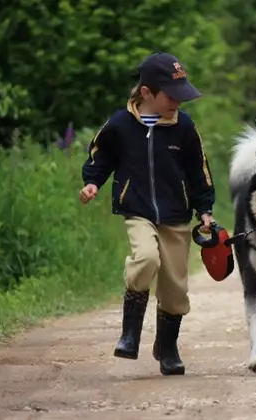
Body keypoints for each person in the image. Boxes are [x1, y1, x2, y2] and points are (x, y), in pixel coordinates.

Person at [79, 52, 215, 376]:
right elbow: (101, 156)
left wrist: (205, 210)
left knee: (175, 289)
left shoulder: (184, 127)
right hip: (138, 209)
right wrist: (92, 183)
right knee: (146, 259)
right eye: (171, 96)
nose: (178, 103)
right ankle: (130, 334)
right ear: (146, 93)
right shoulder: (121, 125)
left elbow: (199, 171)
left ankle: (167, 347)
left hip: (176, 215)